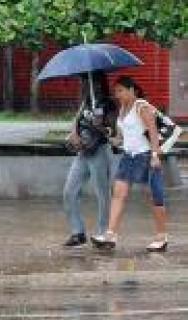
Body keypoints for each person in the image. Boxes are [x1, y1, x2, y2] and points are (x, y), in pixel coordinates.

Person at [93, 76, 168, 252]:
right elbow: (121, 137)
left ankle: (161, 236)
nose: (117, 94)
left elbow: (153, 131)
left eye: (120, 90)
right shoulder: (122, 109)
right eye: (115, 91)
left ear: (131, 90)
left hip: (146, 156)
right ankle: (110, 235)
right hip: (128, 156)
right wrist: (108, 135)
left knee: (155, 197)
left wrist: (155, 155)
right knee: (118, 193)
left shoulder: (141, 106)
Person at [61, 72, 116, 247]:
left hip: (99, 150)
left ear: (99, 83)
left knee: (102, 194)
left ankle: (103, 233)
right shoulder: (86, 101)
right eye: (84, 82)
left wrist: (100, 125)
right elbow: (77, 120)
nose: (85, 85)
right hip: (82, 152)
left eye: (88, 82)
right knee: (69, 191)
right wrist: (74, 134)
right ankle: (77, 232)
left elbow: (112, 131)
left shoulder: (108, 104)